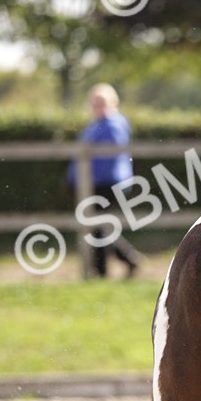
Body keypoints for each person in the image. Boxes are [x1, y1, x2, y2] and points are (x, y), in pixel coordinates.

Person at [69, 83, 141, 278]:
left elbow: (109, 155)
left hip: (109, 182)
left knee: (101, 225)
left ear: (112, 103)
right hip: (96, 183)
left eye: (102, 102)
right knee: (101, 225)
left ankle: (108, 268)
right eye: (95, 103)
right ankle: (118, 263)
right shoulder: (96, 125)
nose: (98, 106)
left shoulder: (113, 124)